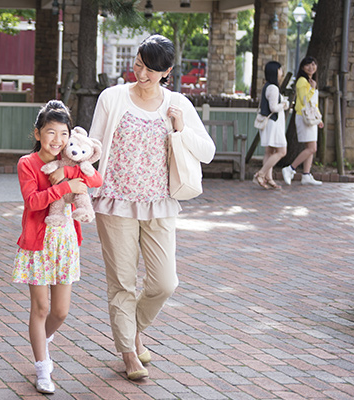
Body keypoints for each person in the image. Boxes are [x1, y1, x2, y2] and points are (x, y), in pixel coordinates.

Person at [87, 35, 215, 381]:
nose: (141, 73)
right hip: (115, 201)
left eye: (150, 69)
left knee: (164, 283)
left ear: (166, 71)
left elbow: (207, 151)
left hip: (160, 204)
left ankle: (133, 329)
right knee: (122, 283)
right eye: (139, 64)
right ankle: (128, 352)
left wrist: (180, 128)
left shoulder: (177, 104)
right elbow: (95, 146)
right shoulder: (112, 97)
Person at [14, 100, 103, 394]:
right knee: (40, 308)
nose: (58, 140)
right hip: (38, 245)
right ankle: (43, 368)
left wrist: (76, 176)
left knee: (61, 312)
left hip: (65, 243)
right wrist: (66, 186)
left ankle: (41, 339)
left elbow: (96, 179)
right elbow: (34, 202)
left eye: (64, 134)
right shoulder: (28, 164)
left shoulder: (73, 163)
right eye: (51, 133)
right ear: (38, 134)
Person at [282, 56, 324, 186]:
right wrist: (312, 89)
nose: (311, 67)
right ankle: (290, 168)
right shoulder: (302, 81)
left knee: (310, 147)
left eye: (313, 64)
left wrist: (319, 118)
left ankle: (306, 175)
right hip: (304, 117)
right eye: (308, 65)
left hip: (310, 118)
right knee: (312, 148)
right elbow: (305, 100)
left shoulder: (310, 81)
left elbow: (314, 104)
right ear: (302, 67)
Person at [254, 61, 290, 189]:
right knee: (282, 151)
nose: (281, 72)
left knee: (269, 152)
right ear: (275, 71)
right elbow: (273, 107)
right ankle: (262, 174)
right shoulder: (273, 88)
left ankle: (269, 178)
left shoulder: (268, 86)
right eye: (280, 70)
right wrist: (284, 104)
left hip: (270, 123)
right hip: (273, 124)